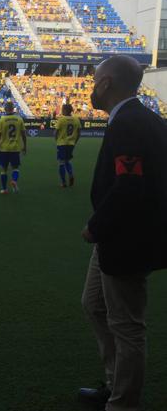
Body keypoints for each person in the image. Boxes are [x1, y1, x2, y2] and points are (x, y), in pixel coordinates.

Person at [79, 55, 167, 411]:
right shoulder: (147, 119)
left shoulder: (128, 123)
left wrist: (94, 227)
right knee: (94, 304)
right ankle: (116, 384)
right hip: (123, 236)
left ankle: (123, 403)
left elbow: (129, 186)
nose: (92, 87)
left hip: (125, 240)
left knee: (127, 325)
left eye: (95, 79)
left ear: (106, 83)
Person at [0, 102, 27, 194]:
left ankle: (4, 189)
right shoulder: (19, 119)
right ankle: (14, 180)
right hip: (15, 148)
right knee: (15, 168)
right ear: (13, 109)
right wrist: (25, 146)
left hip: (4, 148)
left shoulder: (2, 120)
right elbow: (24, 135)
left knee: (4, 169)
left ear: (5, 109)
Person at [54, 103, 81, 188]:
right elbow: (79, 133)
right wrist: (75, 141)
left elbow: (56, 132)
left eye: (62, 109)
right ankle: (70, 174)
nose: (61, 111)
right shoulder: (76, 120)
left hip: (62, 144)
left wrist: (56, 140)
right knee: (67, 161)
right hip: (71, 144)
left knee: (61, 162)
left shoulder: (61, 120)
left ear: (65, 110)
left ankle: (63, 182)